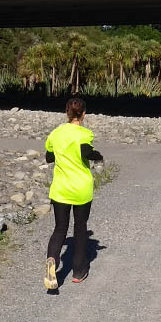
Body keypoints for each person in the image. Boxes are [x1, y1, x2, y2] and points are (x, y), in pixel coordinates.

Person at [43, 97, 104, 289]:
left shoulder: (56, 134)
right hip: (80, 190)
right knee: (80, 228)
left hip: (60, 189)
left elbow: (49, 157)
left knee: (60, 228)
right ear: (83, 114)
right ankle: (78, 271)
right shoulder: (84, 134)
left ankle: (52, 260)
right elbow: (86, 152)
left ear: (66, 113)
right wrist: (99, 156)